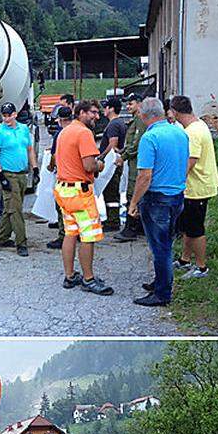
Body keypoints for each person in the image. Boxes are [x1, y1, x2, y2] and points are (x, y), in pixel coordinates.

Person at [128, 97, 188, 307]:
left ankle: (162, 293)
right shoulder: (180, 132)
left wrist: (133, 202)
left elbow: (145, 176)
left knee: (160, 248)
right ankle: (160, 281)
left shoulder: (149, 138)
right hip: (177, 196)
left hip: (157, 199)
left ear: (144, 116)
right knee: (166, 243)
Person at [54, 100, 114, 296]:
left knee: (70, 233)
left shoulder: (65, 131)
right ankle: (88, 279)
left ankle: (69, 276)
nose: (97, 116)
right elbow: (89, 165)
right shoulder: (84, 133)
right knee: (88, 236)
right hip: (80, 192)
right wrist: (102, 166)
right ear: (81, 113)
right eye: (93, 113)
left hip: (64, 190)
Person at [170, 95, 218, 280]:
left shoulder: (192, 133)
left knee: (196, 229)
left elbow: (190, 160)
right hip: (195, 186)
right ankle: (185, 260)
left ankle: (201, 267)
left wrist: (175, 181)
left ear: (174, 112)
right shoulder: (198, 125)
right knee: (188, 226)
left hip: (197, 187)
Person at [0, 101, 38, 257]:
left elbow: (30, 150)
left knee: (11, 207)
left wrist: (35, 168)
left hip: (22, 174)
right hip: (8, 174)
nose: (7, 118)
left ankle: (2, 238)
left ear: (15, 114)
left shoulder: (23, 129)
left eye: (9, 115)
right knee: (16, 209)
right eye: (4, 115)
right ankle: (21, 243)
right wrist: (1, 176)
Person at [113, 93, 146, 242]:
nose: (128, 107)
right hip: (134, 161)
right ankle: (138, 226)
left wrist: (124, 156)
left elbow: (137, 143)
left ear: (139, 104)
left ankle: (131, 229)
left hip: (137, 163)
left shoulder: (140, 120)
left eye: (131, 104)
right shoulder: (136, 120)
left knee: (133, 193)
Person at [46, 104, 73, 250]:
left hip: (63, 176)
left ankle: (64, 236)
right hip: (78, 177)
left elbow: (55, 155)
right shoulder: (80, 131)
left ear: (60, 119)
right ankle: (77, 233)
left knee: (62, 207)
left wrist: (50, 166)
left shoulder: (60, 134)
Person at [98, 97, 127, 232]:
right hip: (115, 163)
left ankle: (113, 220)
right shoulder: (119, 123)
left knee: (110, 192)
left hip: (112, 165)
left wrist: (101, 157)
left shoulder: (114, 124)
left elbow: (113, 144)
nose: (104, 110)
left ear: (111, 109)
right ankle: (112, 218)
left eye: (106, 107)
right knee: (111, 192)